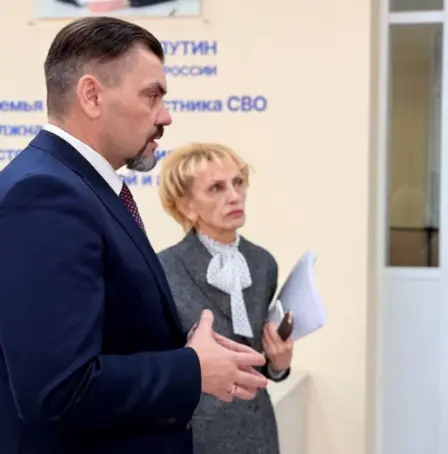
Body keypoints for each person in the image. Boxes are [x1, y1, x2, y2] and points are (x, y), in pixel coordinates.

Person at [0, 17, 268, 454]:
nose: (165, 115)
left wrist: (188, 352)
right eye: (152, 96)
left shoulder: (80, 186)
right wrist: (192, 369)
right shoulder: (44, 194)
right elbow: (57, 390)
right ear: (92, 95)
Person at [157, 142, 294, 454]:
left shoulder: (263, 263)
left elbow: (258, 355)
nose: (234, 196)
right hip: (195, 434)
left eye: (238, 182)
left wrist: (279, 365)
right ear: (186, 206)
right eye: (216, 188)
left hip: (258, 429)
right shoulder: (164, 269)